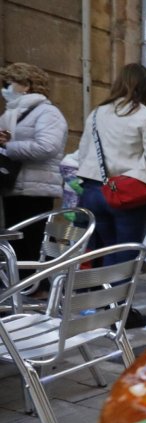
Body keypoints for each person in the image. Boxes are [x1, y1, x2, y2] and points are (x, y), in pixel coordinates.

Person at [74, 63, 146, 327]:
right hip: (127, 194)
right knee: (125, 255)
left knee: (102, 252)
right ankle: (119, 314)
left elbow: (83, 153)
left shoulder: (96, 114)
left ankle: (105, 308)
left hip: (93, 190)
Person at [0, 62, 68, 270]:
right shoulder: (10, 113)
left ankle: (43, 289)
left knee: (35, 242)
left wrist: (9, 146)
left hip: (37, 189)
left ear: (27, 85)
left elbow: (48, 147)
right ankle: (22, 289)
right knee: (16, 245)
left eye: (10, 83)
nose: (5, 88)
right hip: (12, 185)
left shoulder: (47, 113)